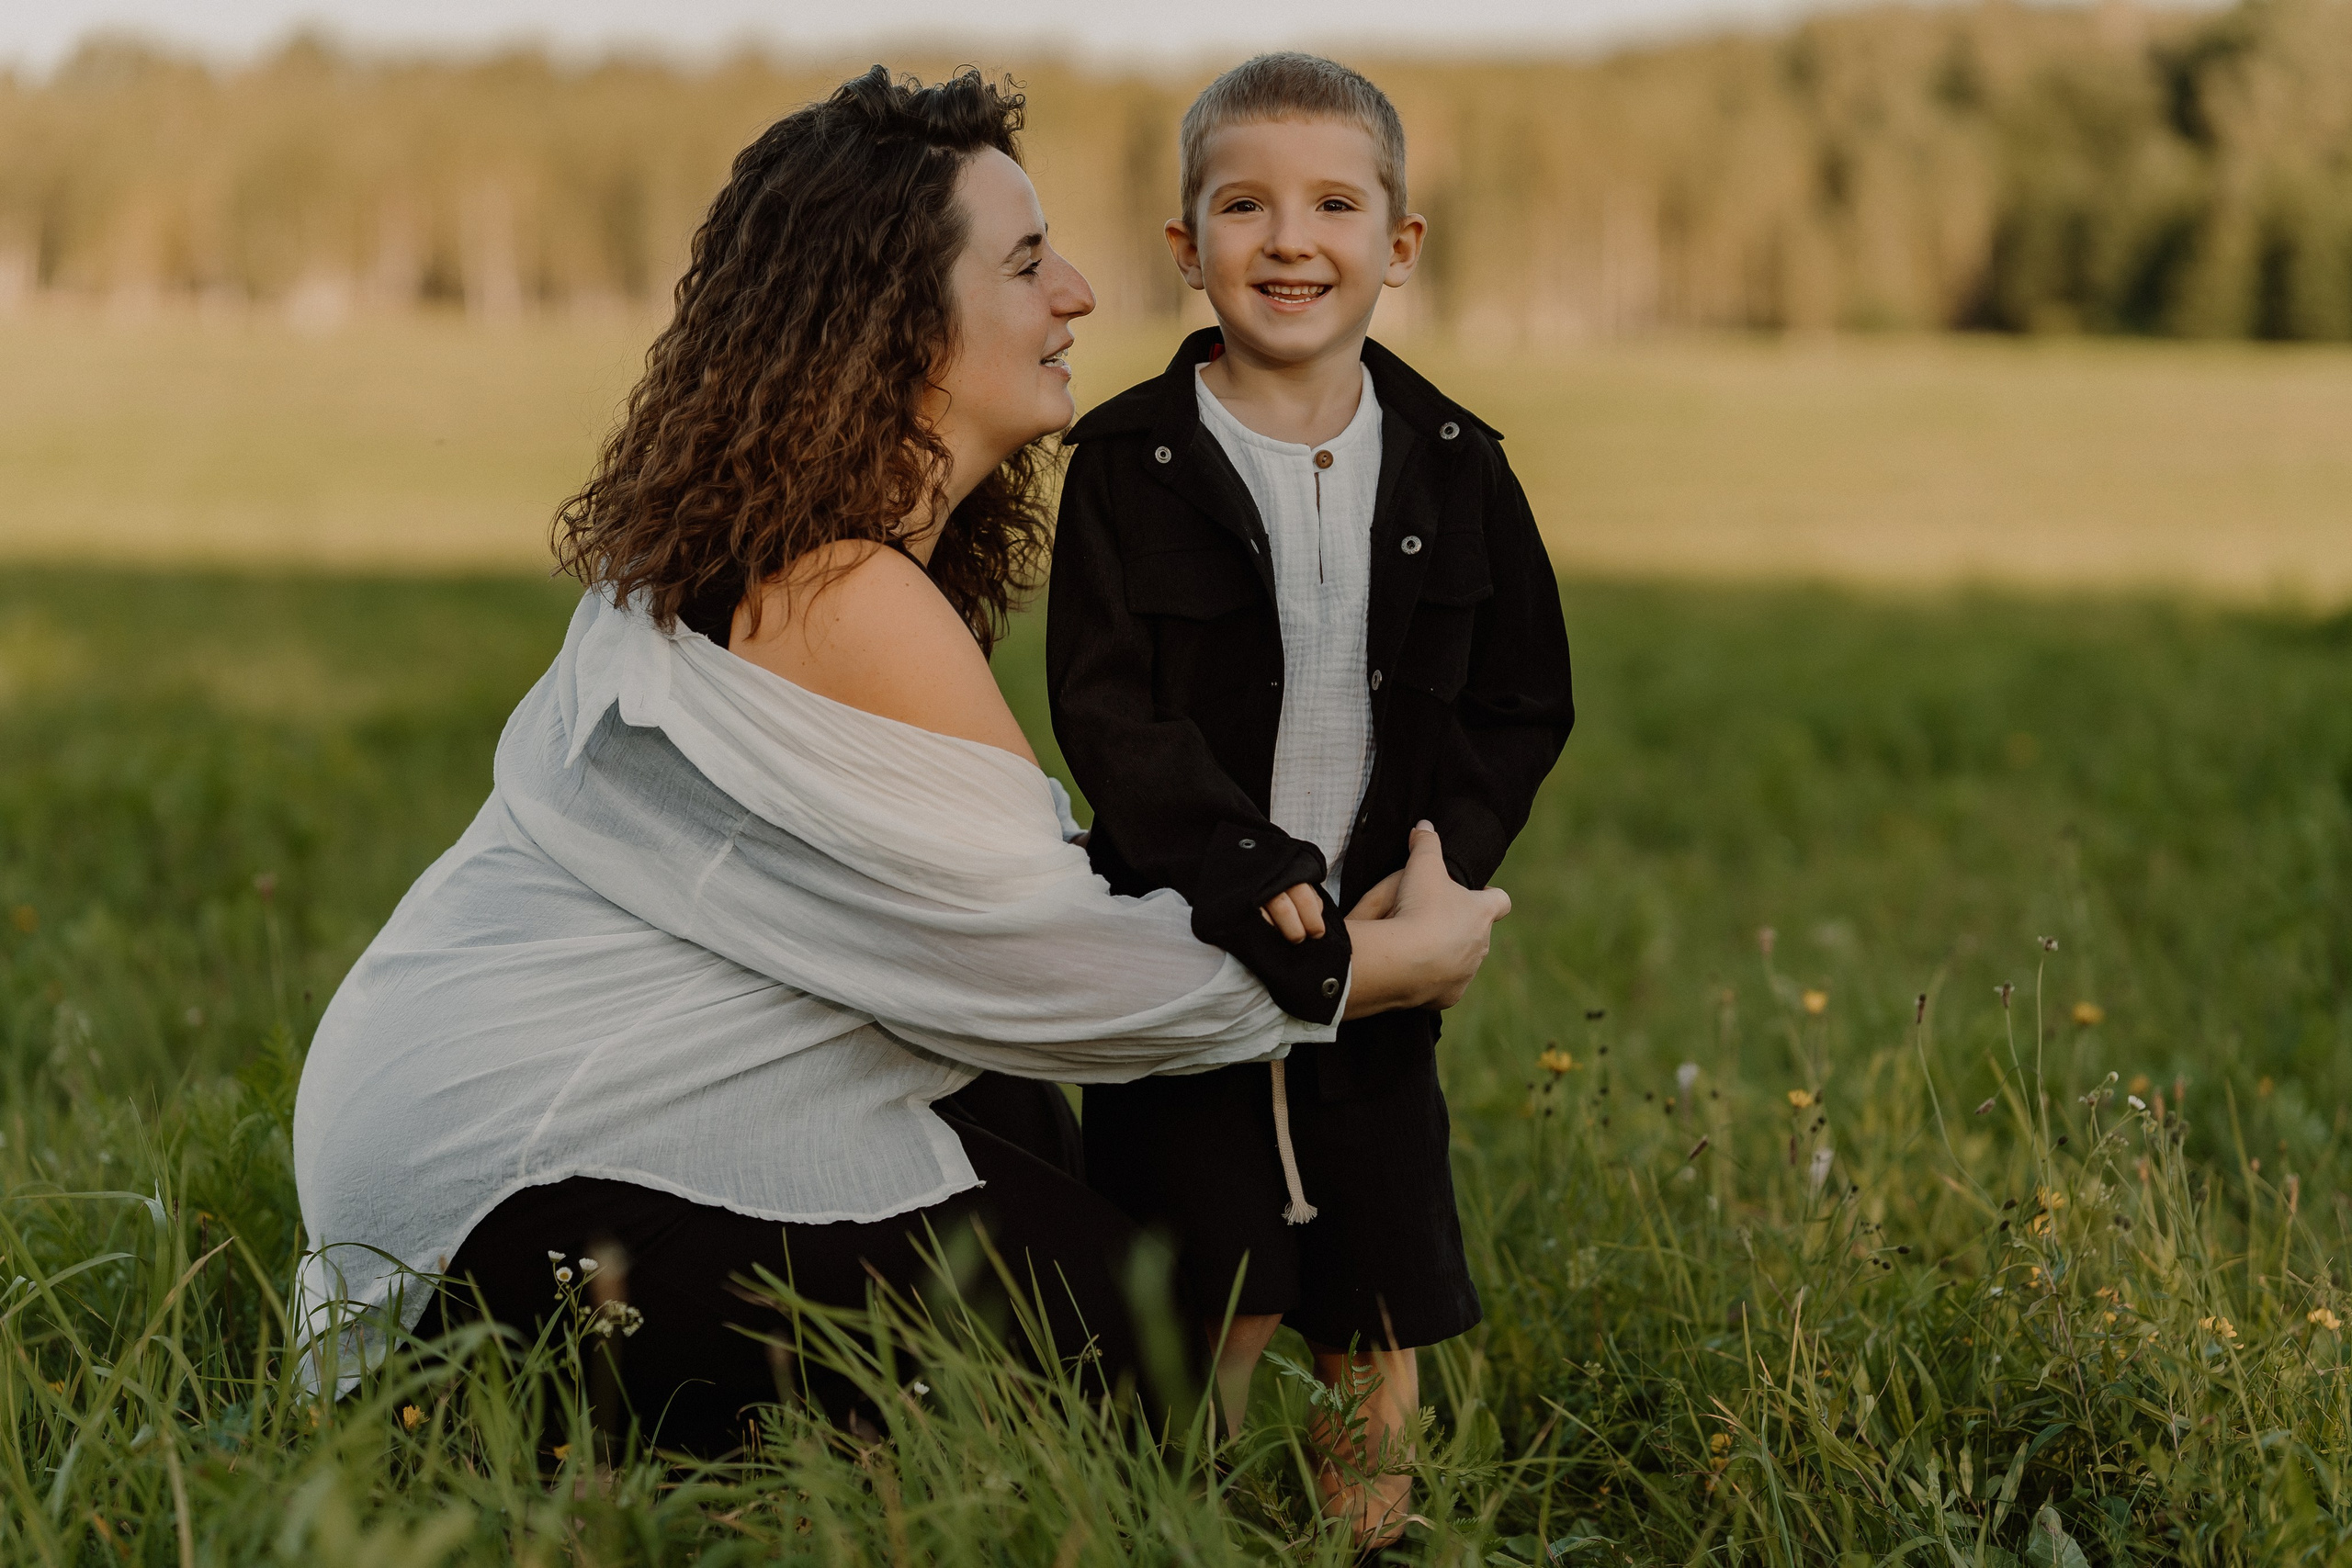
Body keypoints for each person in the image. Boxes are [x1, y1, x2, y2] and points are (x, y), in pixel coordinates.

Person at [289, 64, 1513, 1461]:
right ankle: (567, 1443)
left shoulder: (771, 547)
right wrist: (1362, 978)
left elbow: (979, 969)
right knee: (1132, 1362)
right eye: (1029, 262)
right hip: (506, 1209)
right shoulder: (835, 590)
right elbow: (1040, 969)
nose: (1080, 299)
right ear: (898, 319)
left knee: (1027, 1136)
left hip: (435, 1156)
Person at [1046, 52, 1574, 1543]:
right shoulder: (1130, 467)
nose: (1291, 239)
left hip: (1380, 953)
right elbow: (1104, 702)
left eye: (1334, 203)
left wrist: (1442, 867)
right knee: (1209, 1290)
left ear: (1398, 246)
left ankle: (1370, 1531)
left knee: (1372, 1301)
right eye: (1245, 204)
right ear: (1185, 246)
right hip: (1194, 935)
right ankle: (1175, 1518)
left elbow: (1522, 699)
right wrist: (1226, 854)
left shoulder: (1460, 467)